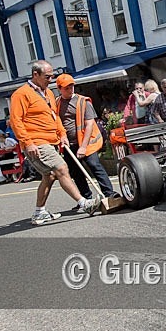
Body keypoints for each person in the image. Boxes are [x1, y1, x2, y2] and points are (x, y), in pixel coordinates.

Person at [10, 60, 100, 225]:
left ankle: (39, 212)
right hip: (36, 142)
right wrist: (28, 143)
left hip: (51, 141)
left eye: (52, 76)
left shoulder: (48, 93)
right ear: (35, 75)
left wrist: (62, 133)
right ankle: (84, 203)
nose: (51, 79)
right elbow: (16, 121)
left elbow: (54, 116)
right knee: (61, 168)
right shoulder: (21, 94)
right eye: (47, 76)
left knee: (49, 176)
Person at [55, 74, 118, 205]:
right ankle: (87, 199)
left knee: (94, 165)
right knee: (75, 172)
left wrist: (83, 147)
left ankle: (109, 194)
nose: (70, 89)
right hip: (69, 144)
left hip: (87, 142)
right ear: (59, 88)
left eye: (72, 86)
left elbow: (89, 124)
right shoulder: (56, 103)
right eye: (66, 87)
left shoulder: (83, 102)